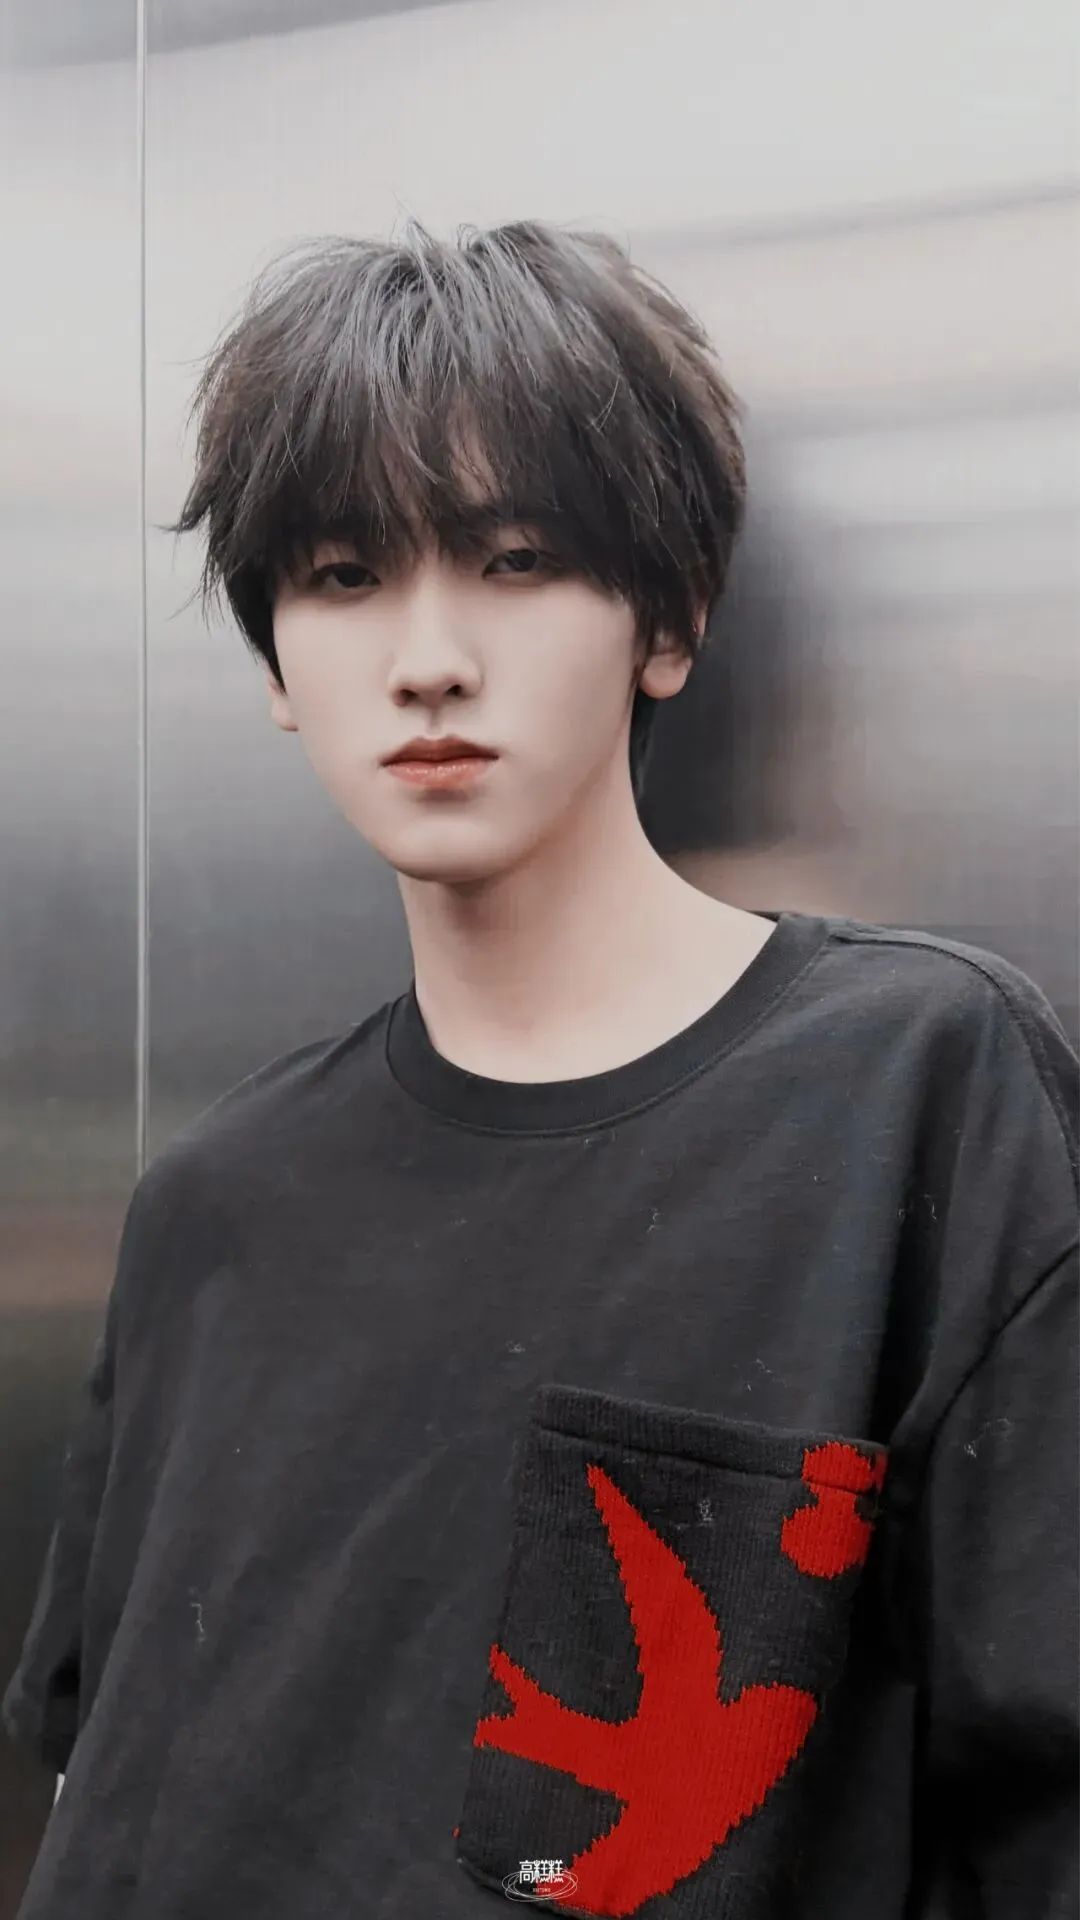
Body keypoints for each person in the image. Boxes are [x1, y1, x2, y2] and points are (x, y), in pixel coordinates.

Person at [4, 221, 1077, 1920]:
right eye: (344, 575)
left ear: (671, 619)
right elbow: (116, 1797)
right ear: (276, 664)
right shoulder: (212, 1208)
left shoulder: (913, 1093)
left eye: (513, 559)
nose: (428, 655)